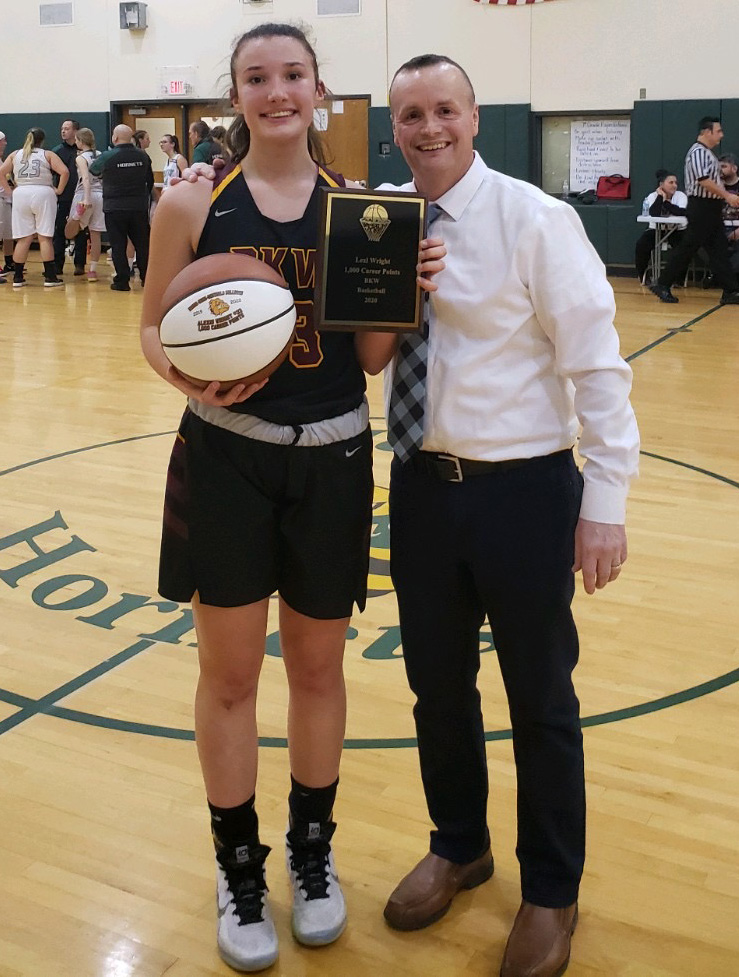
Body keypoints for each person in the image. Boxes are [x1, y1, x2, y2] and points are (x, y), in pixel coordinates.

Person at [357, 55, 639, 977]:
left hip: (523, 489)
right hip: (420, 487)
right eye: (409, 115)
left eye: (444, 110)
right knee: (436, 689)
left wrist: (604, 503)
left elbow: (596, 367)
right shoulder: (383, 220)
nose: (427, 128)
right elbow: (365, 351)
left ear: (475, 118)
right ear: (391, 126)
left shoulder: (535, 219)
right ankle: (459, 843)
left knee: (540, 701)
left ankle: (550, 892)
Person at [139, 22, 407, 974]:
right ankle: (238, 865)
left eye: (293, 74)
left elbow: (370, 363)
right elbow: (150, 330)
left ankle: (311, 852)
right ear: (237, 95)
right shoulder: (189, 201)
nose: (277, 91)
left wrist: (397, 297)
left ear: (319, 89)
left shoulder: (362, 208)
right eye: (257, 77)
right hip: (227, 461)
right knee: (229, 677)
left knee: (320, 672)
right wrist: (191, 381)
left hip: (333, 455)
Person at [650, 117, 739, 304]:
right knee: (689, 247)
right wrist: (727, 196)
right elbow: (703, 180)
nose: (721, 135)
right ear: (707, 132)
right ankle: (663, 283)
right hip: (702, 206)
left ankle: (731, 290)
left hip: (711, 207)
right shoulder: (698, 152)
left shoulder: (708, 154)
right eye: (718, 131)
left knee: (718, 249)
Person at [0, 127, 68, 287]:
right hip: (43, 192)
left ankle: (17, 277)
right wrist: (59, 190)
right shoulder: (47, 154)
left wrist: (10, 191)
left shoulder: (15, 154)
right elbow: (64, 171)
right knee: (44, 237)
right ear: (42, 140)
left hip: (21, 193)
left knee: (24, 238)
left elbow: (1, 173)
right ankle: (50, 277)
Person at [89, 124, 153, 291]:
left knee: (118, 244)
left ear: (115, 138)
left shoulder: (108, 156)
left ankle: (122, 281)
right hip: (138, 206)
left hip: (114, 207)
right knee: (142, 244)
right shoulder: (143, 156)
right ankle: (147, 279)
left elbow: (93, 170)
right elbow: (150, 180)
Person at [63, 127, 105, 282]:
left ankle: (77, 214)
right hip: (101, 195)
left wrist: (86, 199)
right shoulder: (101, 155)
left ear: (80, 141)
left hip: (84, 194)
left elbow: (86, 179)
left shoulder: (80, 158)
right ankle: (92, 271)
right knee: (96, 234)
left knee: (69, 231)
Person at [634, 169, 688, 283]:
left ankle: (678, 278)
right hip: (656, 229)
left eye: (676, 183)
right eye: (671, 182)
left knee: (682, 248)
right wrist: (660, 197)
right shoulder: (652, 196)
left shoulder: (681, 196)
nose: (674, 185)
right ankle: (643, 275)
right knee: (641, 245)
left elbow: (680, 212)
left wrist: (666, 202)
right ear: (661, 185)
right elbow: (654, 213)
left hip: (677, 230)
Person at [51, 118, 87, 275]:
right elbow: (50, 174)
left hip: (79, 198)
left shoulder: (84, 152)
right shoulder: (57, 151)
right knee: (59, 231)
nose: (63, 131)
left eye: (66, 128)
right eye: (62, 128)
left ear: (75, 131)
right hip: (63, 198)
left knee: (80, 231)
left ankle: (80, 264)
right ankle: (57, 265)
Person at [719, 153, 739, 276]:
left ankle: (726, 277)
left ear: (734, 168)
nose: (720, 170)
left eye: (724, 166)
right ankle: (722, 276)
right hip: (719, 228)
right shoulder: (715, 187)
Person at [0, 130, 14, 282]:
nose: (5, 143)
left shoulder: (2, 160)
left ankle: (9, 262)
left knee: (8, 232)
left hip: (6, 200)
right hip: (1, 199)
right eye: (3, 140)